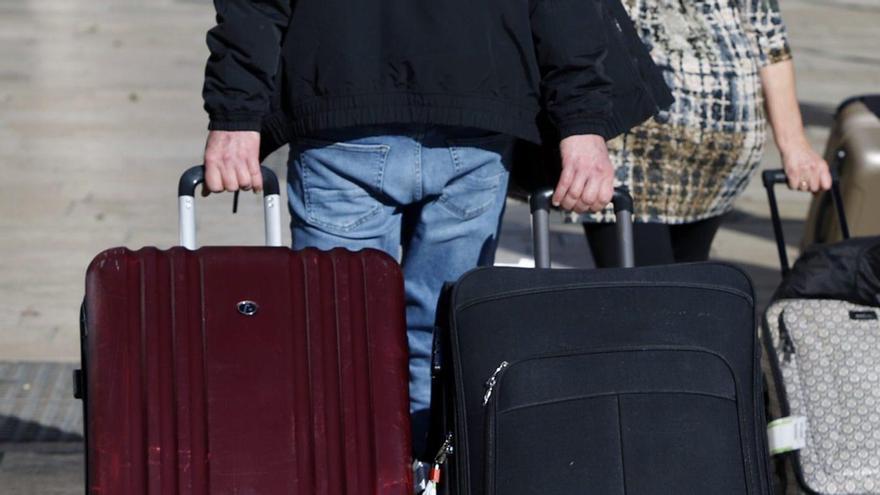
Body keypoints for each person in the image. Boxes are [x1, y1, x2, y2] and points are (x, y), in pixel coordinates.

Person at [199, 0, 668, 478]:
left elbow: (253, 7)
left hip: (344, 101)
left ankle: (359, 474)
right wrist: (582, 123)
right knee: (441, 337)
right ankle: (429, 475)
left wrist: (235, 113)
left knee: (340, 337)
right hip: (475, 107)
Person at [582, 0, 832, 267]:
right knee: (648, 298)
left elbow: (767, 34)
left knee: (684, 293)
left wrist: (795, 144)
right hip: (625, 148)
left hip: (715, 161)